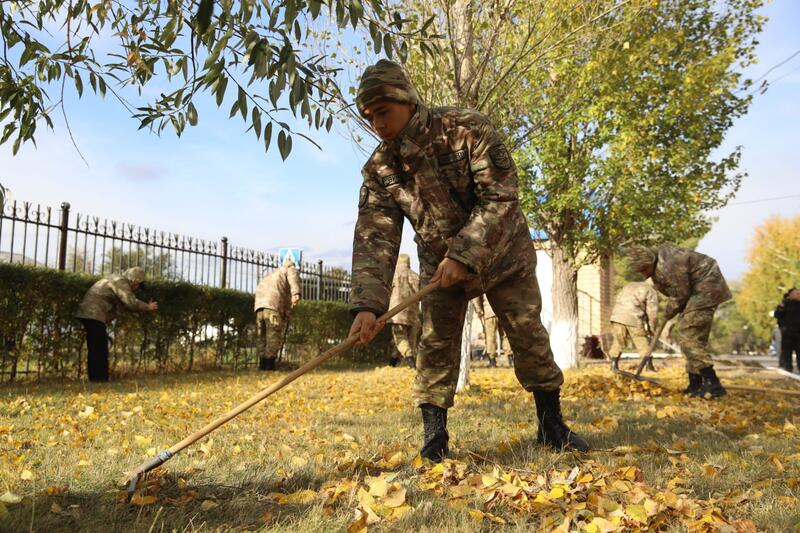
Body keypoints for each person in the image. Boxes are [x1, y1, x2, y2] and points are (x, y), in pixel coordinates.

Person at [347, 59, 589, 461]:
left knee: (527, 335)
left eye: (383, 111)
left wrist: (464, 254)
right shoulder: (380, 169)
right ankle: (435, 437)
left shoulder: (466, 128)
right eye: (369, 116)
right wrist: (367, 305)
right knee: (435, 344)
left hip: (504, 254)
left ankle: (552, 425)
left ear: (407, 101)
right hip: (440, 268)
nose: (377, 124)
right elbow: (375, 237)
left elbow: (500, 196)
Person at [625, 244, 731, 398]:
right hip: (696, 290)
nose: (644, 275)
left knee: (688, 337)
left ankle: (713, 384)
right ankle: (695, 384)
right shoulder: (659, 263)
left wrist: (669, 311)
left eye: (644, 270)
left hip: (706, 287)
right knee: (691, 337)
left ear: (650, 261)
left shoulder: (670, 264)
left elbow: (681, 293)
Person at [75, 267, 157, 381]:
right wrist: (148, 307)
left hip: (90, 313)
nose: (137, 288)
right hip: (93, 313)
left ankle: (96, 377)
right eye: (138, 285)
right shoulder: (120, 282)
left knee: (96, 346)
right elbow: (131, 302)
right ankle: (99, 378)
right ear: (134, 280)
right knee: (99, 347)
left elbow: (121, 307)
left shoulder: (116, 280)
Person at [254, 257, 301, 370]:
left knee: (261, 335)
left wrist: (286, 310)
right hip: (273, 306)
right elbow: (293, 279)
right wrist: (296, 293)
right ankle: (269, 364)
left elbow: (281, 291)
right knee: (273, 335)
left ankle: (262, 364)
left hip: (259, 306)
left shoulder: (271, 274)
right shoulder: (290, 269)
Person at [607, 280, 659, 369]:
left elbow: (618, 299)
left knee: (619, 340)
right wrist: (652, 328)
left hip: (617, 316)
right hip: (634, 317)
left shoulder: (629, 285)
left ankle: (613, 365)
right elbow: (652, 313)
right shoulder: (650, 290)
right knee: (641, 340)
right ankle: (648, 366)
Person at [388, 254, 420, 368]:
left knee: (400, 337)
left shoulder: (393, 275)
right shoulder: (416, 276)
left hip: (397, 312)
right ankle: (393, 363)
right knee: (409, 340)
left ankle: (410, 361)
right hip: (413, 313)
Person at [472, 296, 512, 367]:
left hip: (489, 312)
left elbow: (476, 296)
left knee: (490, 337)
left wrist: (479, 310)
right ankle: (510, 359)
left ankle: (492, 361)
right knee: (505, 336)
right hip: (503, 310)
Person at [774, 288, 800, 373]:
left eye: (799, 293)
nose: (798, 294)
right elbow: (777, 315)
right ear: (790, 295)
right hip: (787, 333)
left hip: (798, 333)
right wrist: (784, 327)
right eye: (796, 293)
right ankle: (788, 368)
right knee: (787, 352)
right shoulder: (785, 304)